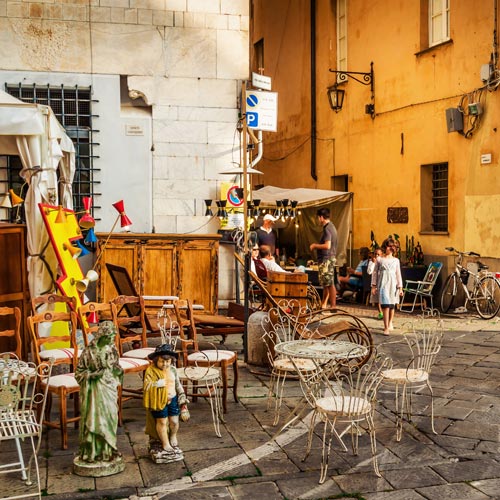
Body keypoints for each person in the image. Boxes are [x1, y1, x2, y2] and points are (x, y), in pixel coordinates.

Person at [75, 321, 124, 464]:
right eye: (109, 337)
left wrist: (117, 371)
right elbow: (79, 373)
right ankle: (93, 452)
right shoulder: (89, 352)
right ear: (102, 336)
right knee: (94, 418)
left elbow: (117, 369)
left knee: (111, 416)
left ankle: (108, 449)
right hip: (94, 390)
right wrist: (91, 375)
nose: (111, 340)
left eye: (112, 337)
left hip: (109, 387)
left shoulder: (112, 350)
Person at [143, 344, 189, 463]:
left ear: (171, 361)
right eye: (162, 361)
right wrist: (156, 385)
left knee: (174, 421)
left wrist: (182, 396)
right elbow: (147, 386)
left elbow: (178, 385)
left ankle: (173, 436)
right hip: (159, 401)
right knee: (162, 422)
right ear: (156, 361)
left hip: (172, 398)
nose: (165, 364)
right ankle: (165, 443)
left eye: (167, 361)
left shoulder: (173, 370)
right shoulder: (151, 371)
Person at [371, 238, 403, 335]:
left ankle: (389, 323)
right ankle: (385, 327)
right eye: (388, 246)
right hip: (383, 284)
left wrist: (400, 287)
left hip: (393, 285)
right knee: (385, 305)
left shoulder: (396, 261)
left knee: (392, 305)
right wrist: (373, 285)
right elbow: (375, 273)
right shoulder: (380, 260)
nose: (389, 248)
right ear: (385, 247)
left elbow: (398, 274)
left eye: (391, 246)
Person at [309, 207, 338, 309]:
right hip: (328, 258)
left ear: (321, 217)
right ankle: (323, 304)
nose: (318, 220)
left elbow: (327, 245)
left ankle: (333, 306)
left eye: (318, 218)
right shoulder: (331, 227)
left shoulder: (327, 229)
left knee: (329, 283)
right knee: (326, 284)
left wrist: (314, 246)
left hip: (326, 259)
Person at [367, 248, 384, 319]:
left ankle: (384, 311)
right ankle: (380, 312)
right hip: (375, 283)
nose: (377, 256)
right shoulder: (371, 262)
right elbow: (369, 272)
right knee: (376, 299)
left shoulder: (383, 261)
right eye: (375, 254)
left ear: (382, 255)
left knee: (382, 298)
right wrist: (373, 263)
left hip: (382, 282)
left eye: (378, 254)